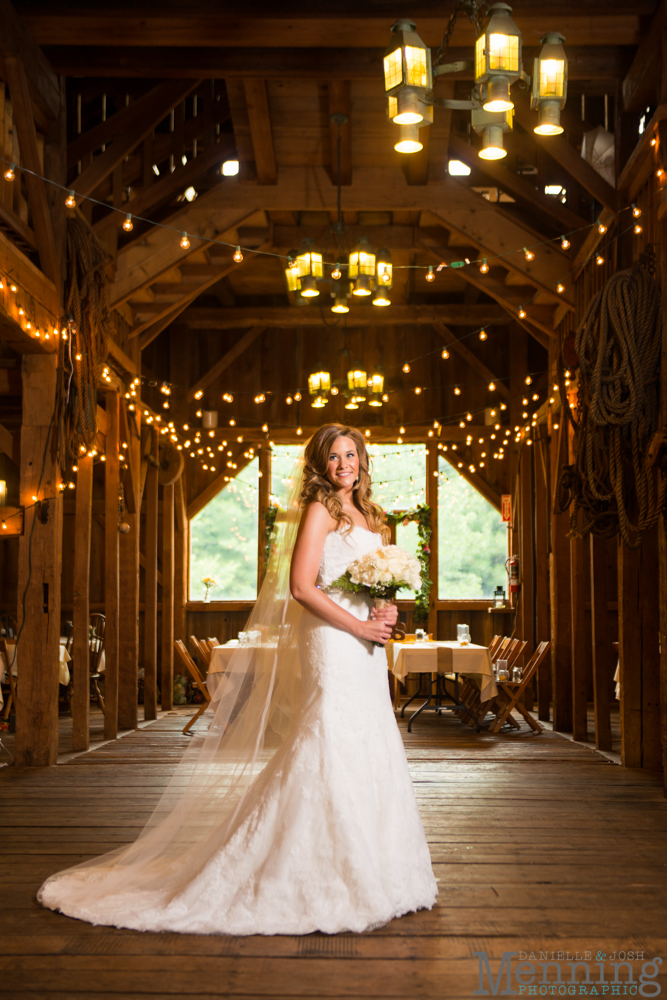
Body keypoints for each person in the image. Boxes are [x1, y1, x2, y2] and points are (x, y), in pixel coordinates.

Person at [38, 424, 437, 935]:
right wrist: (358, 623)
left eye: (351, 454)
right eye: (334, 456)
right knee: (329, 737)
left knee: (370, 738)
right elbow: (300, 586)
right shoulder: (320, 511)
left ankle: (381, 866)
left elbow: (376, 578)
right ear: (322, 464)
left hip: (366, 644)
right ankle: (311, 872)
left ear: (362, 461)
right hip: (333, 641)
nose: (344, 464)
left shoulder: (370, 516)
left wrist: (384, 609)